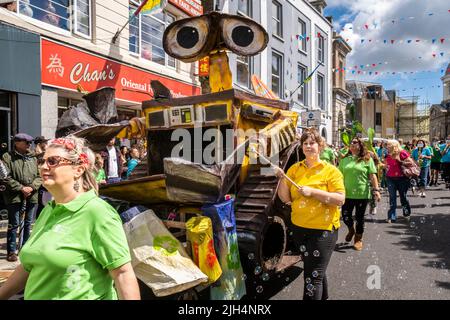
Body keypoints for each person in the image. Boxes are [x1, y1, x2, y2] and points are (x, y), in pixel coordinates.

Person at [0, 136, 140, 300]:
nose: (44, 166)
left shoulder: (97, 213)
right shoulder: (48, 211)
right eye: (41, 161)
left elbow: (123, 274)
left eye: (52, 161)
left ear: (78, 170)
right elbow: (29, 266)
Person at [277, 128, 345, 300]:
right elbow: (285, 198)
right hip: (299, 228)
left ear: (320, 146)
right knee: (314, 269)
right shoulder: (294, 169)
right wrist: (282, 179)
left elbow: (340, 199)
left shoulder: (331, 171)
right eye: (305, 143)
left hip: (323, 231)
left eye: (312, 143)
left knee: (312, 278)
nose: (308, 146)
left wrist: (313, 192)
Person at [1, 133, 41, 262]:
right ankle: (12, 251)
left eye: (30, 143)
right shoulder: (7, 157)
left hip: (31, 195)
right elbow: (5, 177)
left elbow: (40, 175)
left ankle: (24, 248)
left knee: (28, 223)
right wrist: (21, 188)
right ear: (17, 143)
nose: (29, 145)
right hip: (14, 196)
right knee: (14, 224)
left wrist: (32, 187)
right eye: (26, 142)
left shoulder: (33, 157)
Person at [338, 138, 380, 251]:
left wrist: (376, 190)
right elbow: (338, 176)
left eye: (355, 142)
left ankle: (358, 239)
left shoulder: (367, 159)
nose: (352, 144)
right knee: (346, 217)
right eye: (351, 143)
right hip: (346, 194)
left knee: (359, 218)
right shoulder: (344, 160)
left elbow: (372, 176)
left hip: (362, 194)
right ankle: (351, 230)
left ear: (361, 146)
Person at [384, 140, 411, 223]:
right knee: (392, 198)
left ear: (394, 145)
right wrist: (382, 165)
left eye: (388, 145)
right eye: (387, 145)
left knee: (403, 197)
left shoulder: (402, 153)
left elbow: (410, 163)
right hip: (390, 178)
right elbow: (386, 165)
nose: (387, 146)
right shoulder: (387, 155)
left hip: (402, 178)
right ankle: (392, 216)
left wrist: (400, 161)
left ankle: (406, 213)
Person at [33, 136, 49, 220]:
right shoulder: (36, 155)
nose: (46, 144)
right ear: (39, 144)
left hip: (45, 184)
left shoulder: (45, 153)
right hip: (40, 184)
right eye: (44, 142)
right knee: (41, 206)